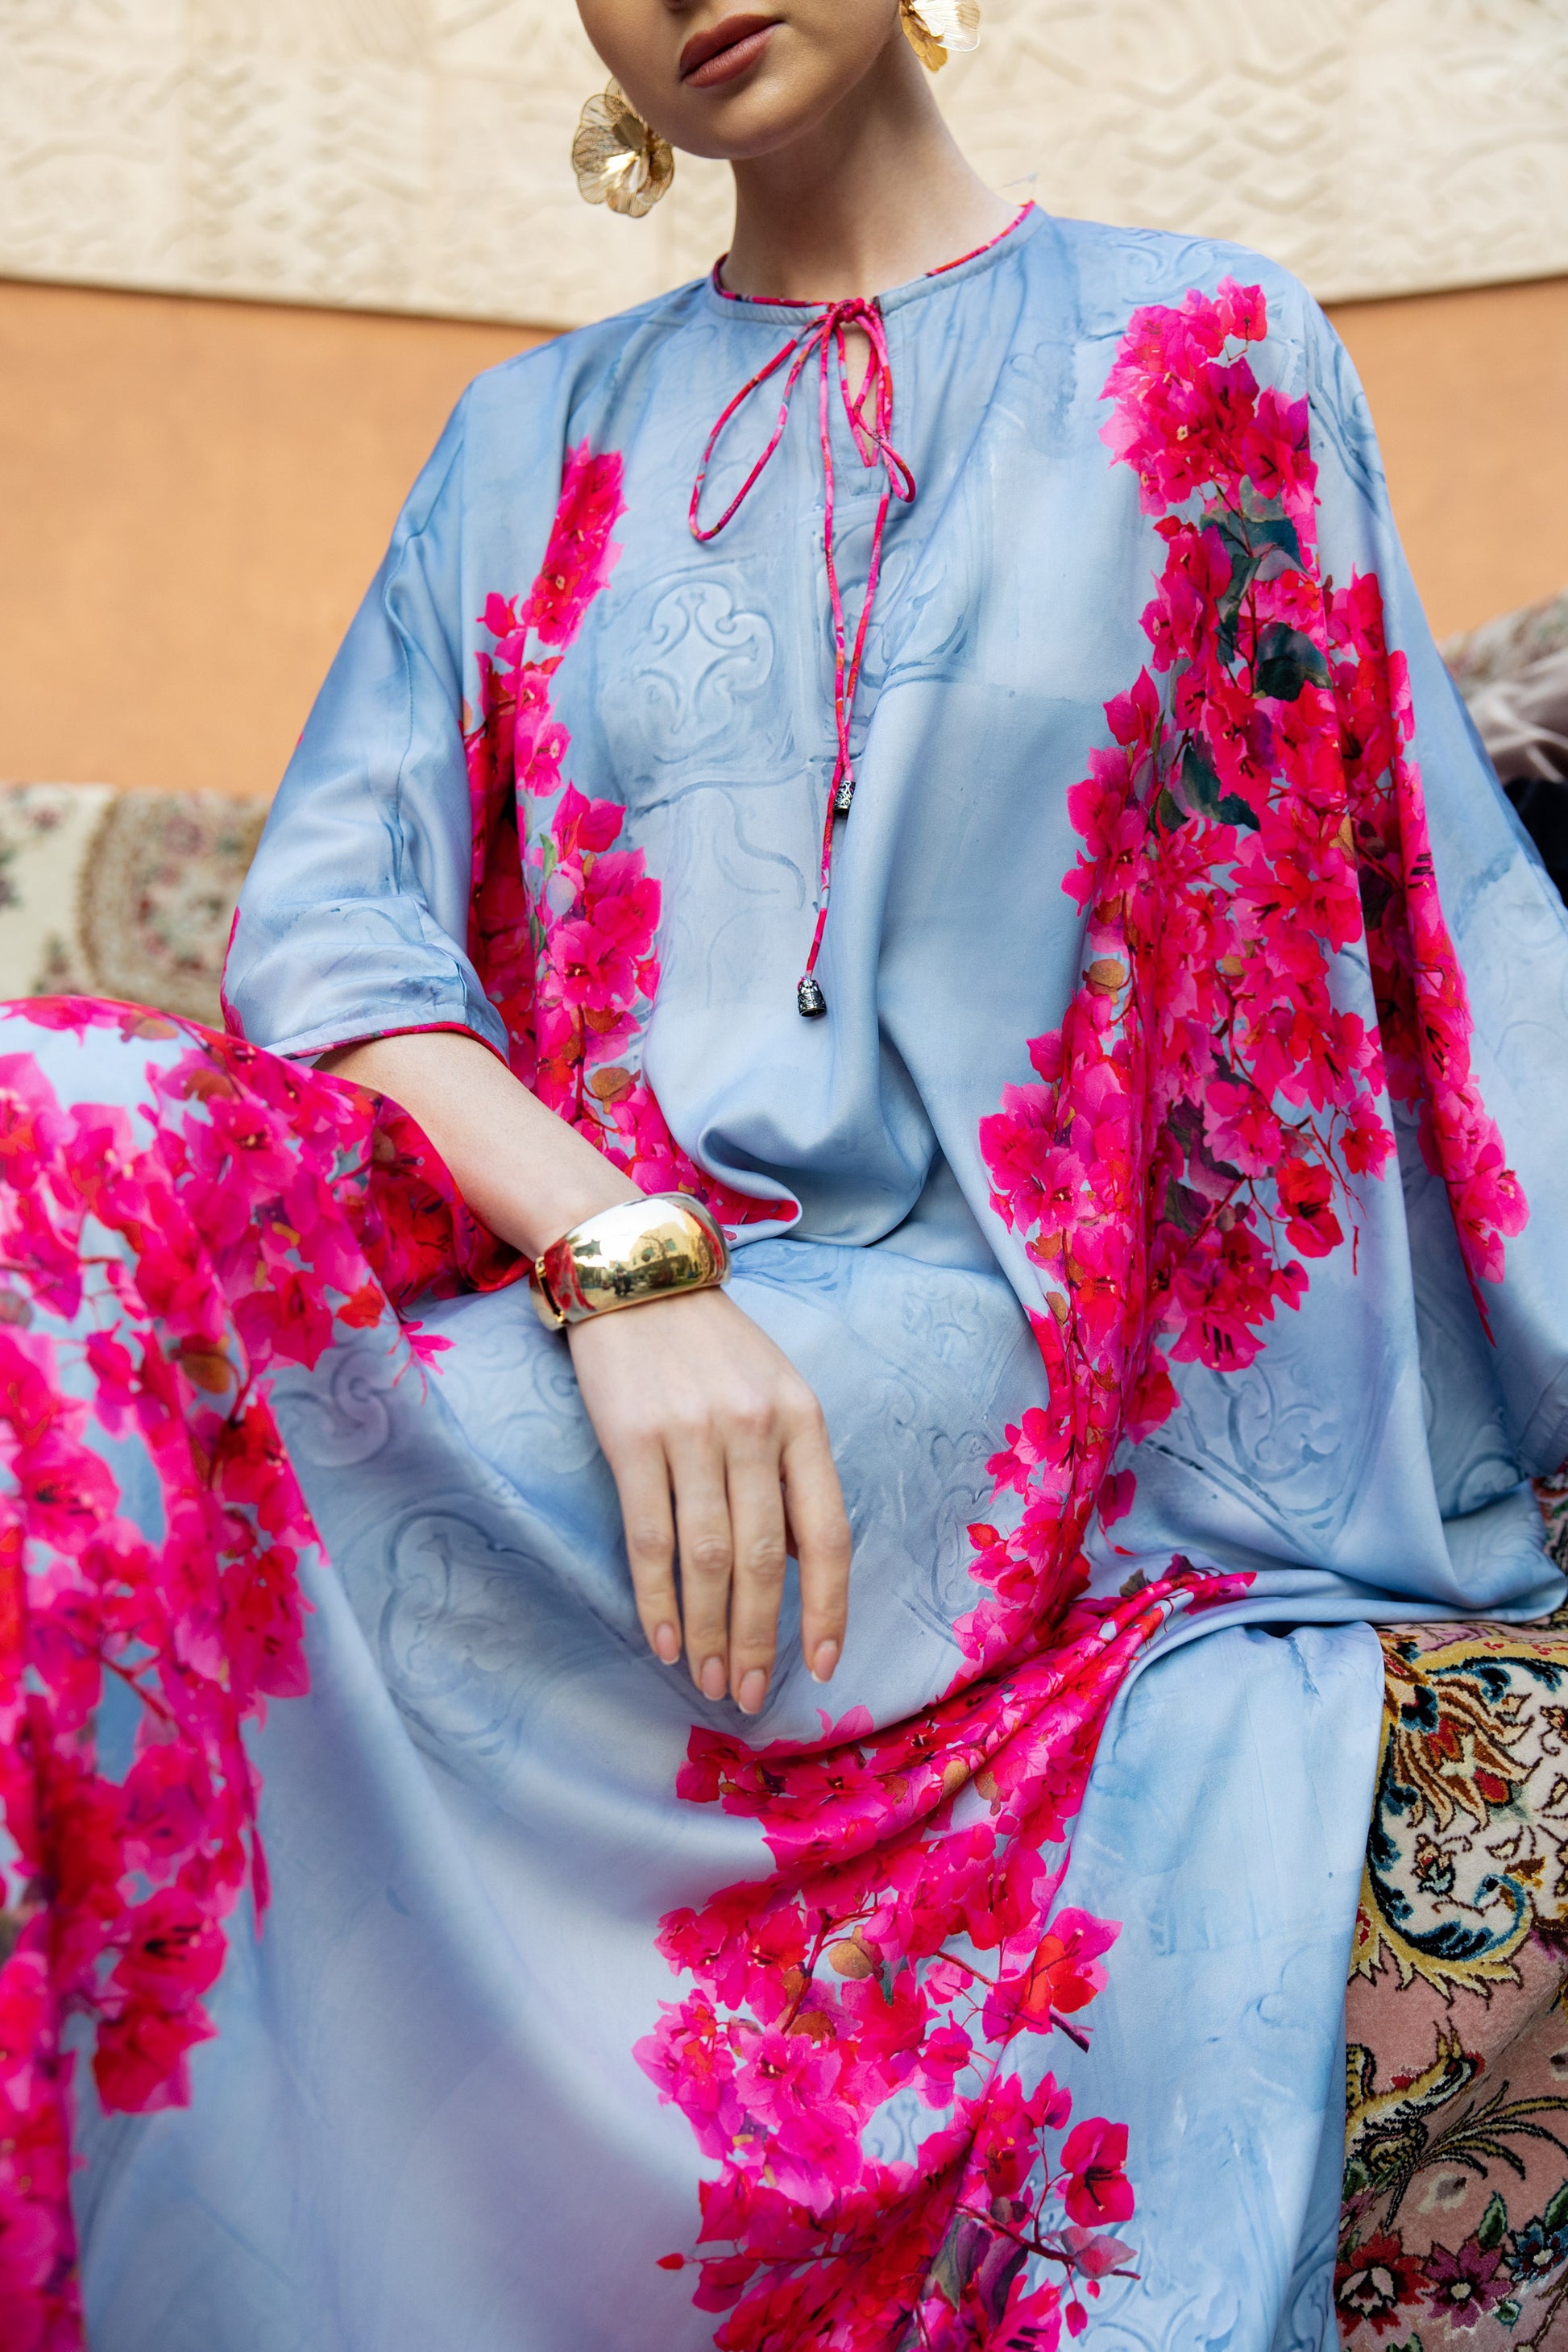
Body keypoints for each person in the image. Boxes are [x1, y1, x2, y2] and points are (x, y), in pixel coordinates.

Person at [4, 6, 1567, 2348]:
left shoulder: (1208, 351)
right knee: (46, 1150)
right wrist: (621, 1264)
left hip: (982, 1354)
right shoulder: (522, 437)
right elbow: (331, 930)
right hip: (591, 1295)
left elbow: (1401, 944)